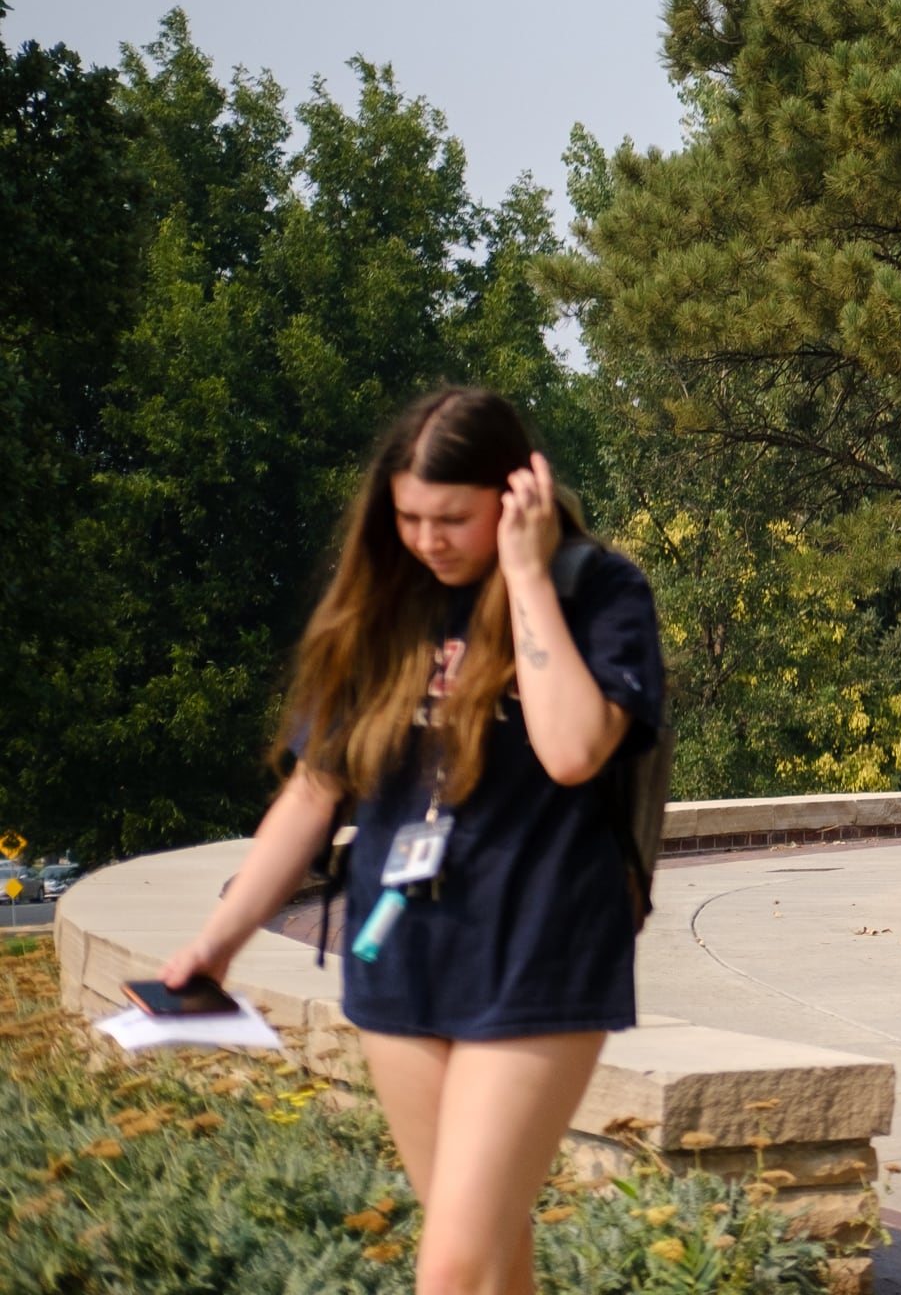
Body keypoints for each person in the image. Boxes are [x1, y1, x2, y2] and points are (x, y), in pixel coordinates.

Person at [165, 387, 666, 1295]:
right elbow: (316, 794)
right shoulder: (382, 609)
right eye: (408, 517)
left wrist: (522, 576)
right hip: (401, 954)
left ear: (518, 498)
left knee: (452, 1272)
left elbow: (572, 751)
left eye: (453, 519)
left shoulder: (597, 591)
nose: (428, 540)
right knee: (482, 1257)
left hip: (540, 952)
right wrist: (218, 941)